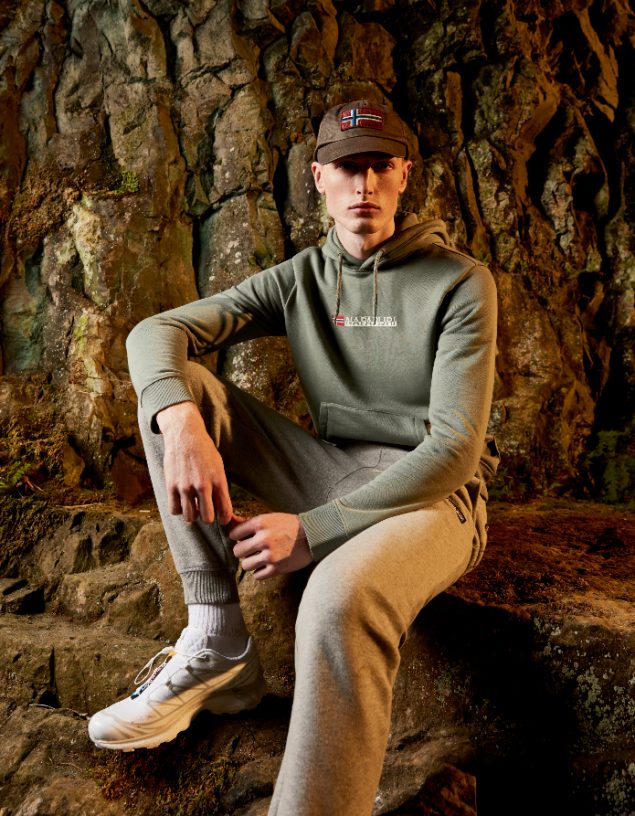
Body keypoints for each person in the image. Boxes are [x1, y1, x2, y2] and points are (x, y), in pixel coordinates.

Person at [88, 99, 499, 816]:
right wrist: (180, 423)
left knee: (335, 601)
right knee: (177, 389)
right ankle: (217, 636)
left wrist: (311, 531)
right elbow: (156, 331)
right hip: (331, 468)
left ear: (403, 175)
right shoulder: (302, 277)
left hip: (433, 498)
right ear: (319, 178)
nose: (363, 185)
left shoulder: (460, 282)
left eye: (379, 166)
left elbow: (454, 451)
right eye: (347, 168)